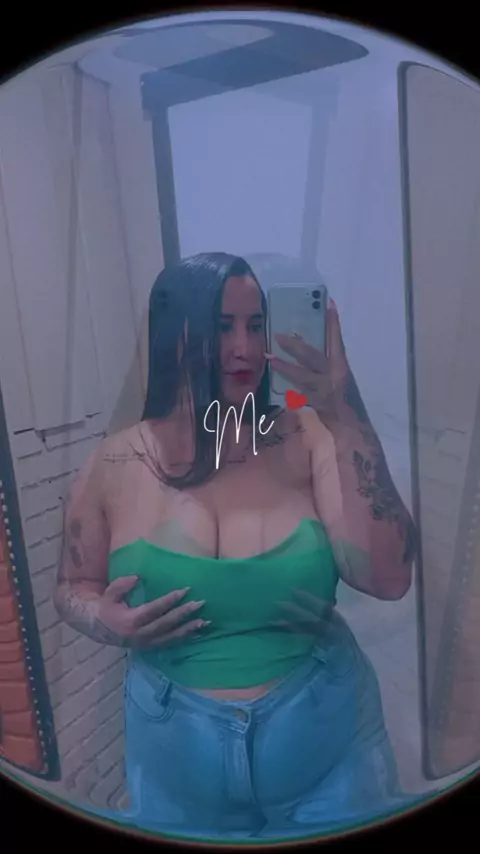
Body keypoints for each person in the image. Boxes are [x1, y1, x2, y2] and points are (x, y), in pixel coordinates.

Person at [54, 252, 418, 841]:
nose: (244, 349)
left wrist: (343, 408)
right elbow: (72, 588)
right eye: (221, 327)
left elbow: (389, 578)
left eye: (257, 325)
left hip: (330, 750)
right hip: (175, 764)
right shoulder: (117, 460)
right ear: (175, 335)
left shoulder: (309, 434)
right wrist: (103, 619)